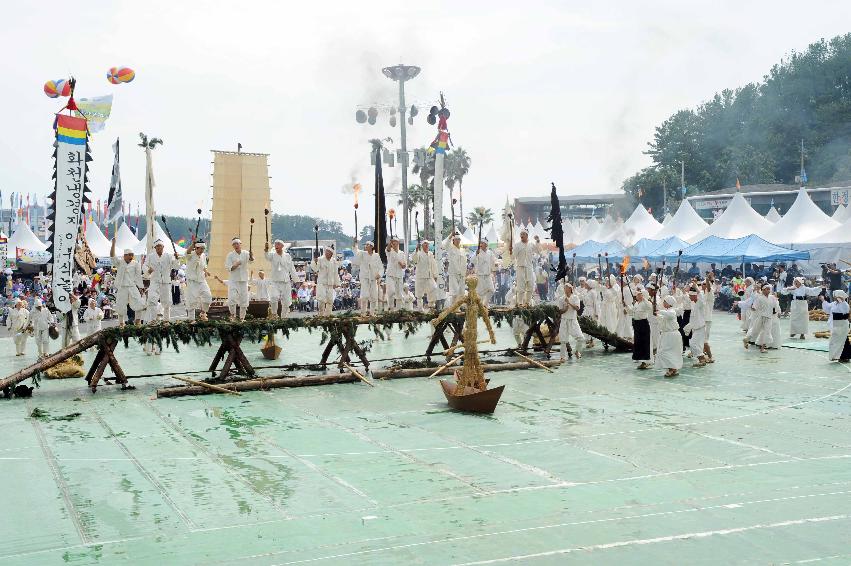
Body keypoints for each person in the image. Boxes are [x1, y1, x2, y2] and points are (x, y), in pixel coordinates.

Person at [110, 239, 146, 327]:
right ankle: (121, 323)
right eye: (129, 255)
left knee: (139, 303)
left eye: (132, 255)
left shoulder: (136, 263)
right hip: (122, 287)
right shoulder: (120, 263)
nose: (131, 257)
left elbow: (138, 276)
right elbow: (112, 256)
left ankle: (137, 321)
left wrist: (141, 287)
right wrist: (113, 244)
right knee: (120, 305)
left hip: (132, 286)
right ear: (124, 256)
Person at [145, 239, 179, 321]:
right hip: (154, 281)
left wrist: (177, 259)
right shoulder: (150, 256)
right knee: (152, 300)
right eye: (157, 246)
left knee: (167, 302)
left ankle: (166, 320)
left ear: (163, 247)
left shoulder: (168, 256)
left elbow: (176, 266)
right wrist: (148, 270)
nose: (158, 248)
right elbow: (145, 266)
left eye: (160, 246)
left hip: (166, 282)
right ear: (155, 247)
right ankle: (153, 320)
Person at [264, 239, 299, 318]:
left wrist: (296, 280)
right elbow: (267, 256)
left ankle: (284, 318)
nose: (276, 246)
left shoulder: (287, 256)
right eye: (275, 244)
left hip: (285, 282)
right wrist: (266, 249)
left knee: (286, 302)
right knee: (273, 297)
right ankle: (274, 314)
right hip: (275, 282)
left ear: (282, 246)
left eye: (278, 244)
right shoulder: (272, 255)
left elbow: (292, 269)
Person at [743, 284, 779, 353]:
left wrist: (776, 300)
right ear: (763, 290)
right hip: (761, 317)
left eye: (769, 289)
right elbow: (754, 307)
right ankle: (746, 339)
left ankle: (762, 347)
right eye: (767, 289)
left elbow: (775, 306)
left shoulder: (772, 297)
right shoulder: (759, 298)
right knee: (755, 330)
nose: (769, 290)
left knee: (766, 332)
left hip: (768, 318)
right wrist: (751, 307)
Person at [224, 237, 253, 321]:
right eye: (234, 244)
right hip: (233, 280)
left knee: (244, 299)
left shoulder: (246, 253)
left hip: (244, 280)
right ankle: (233, 315)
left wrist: (251, 255)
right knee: (232, 298)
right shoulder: (230, 255)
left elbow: (251, 261)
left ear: (240, 244)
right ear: (232, 246)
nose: (236, 245)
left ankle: (242, 318)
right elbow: (229, 268)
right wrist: (236, 264)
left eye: (237, 243)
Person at [352, 240, 383, 314]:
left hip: (373, 278)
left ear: (372, 247)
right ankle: (363, 312)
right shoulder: (362, 253)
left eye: (367, 245)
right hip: (364, 277)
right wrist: (355, 243)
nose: (366, 246)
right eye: (365, 245)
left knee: (374, 297)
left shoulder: (376, 255)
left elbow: (381, 267)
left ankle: (372, 313)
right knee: (365, 295)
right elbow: (355, 251)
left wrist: (379, 274)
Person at [655, 295, 683, 378]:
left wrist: (659, 311)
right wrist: (657, 315)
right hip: (667, 335)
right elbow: (664, 319)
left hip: (672, 335)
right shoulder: (667, 311)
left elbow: (670, 315)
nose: (663, 303)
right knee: (666, 352)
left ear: (669, 303)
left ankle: (672, 369)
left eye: (665, 302)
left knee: (668, 352)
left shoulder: (672, 311)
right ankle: (672, 368)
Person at [512, 229, 540, 306]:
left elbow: (538, 251)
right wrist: (511, 251)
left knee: (530, 286)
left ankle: (527, 302)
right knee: (520, 287)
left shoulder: (531, 244)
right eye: (521, 234)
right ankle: (520, 303)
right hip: (520, 268)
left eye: (523, 234)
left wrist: (537, 241)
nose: (521, 235)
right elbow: (513, 256)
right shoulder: (517, 245)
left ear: (527, 235)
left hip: (529, 267)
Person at [185, 240, 212, 321]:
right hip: (192, 281)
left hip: (202, 280)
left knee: (208, 297)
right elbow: (187, 253)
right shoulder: (191, 255)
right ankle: (191, 319)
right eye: (201, 248)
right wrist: (192, 244)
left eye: (203, 249)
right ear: (196, 248)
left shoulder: (203, 255)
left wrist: (206, 271)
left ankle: (203, 313)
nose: (202, 250)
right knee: (192, 300)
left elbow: (204, 265)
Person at [820, 290, 851, 362]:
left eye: (836, 296)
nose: (835, 298)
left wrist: (841, 301)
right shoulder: (834, 303)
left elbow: (844, 311)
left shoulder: (845, 304)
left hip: (842, 324)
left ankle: (845, 357)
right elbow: (827, 308)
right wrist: (823, 300)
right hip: (836, 324)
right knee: (835, 341)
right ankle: (837, 356)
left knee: (842, 340)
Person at [557, 281, 584, 361]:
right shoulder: (561, 299)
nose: (565, 289)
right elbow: (560, 311)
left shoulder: (575, 297)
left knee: (580, 338)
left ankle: (577, 351)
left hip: (573, 320)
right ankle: (562, 357)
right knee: (563, 340)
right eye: (564, 288)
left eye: (566, 288)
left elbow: (577, 308)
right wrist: (565, 309)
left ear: (570, 289)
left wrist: (569, 303)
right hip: (564, 320)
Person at [629, 286, 653, 369]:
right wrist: (626, 306)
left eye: (639, 295)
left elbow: (650, 307)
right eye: (637, 295)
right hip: (637, 324)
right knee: (638, 342)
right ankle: (641, 361)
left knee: (644, 343)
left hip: (643, 324)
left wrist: (644, 299)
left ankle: (646, 361)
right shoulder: (636, 303)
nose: (637, 296)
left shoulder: (645, 303)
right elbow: (632, 312)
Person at [683, 287, 708, 366]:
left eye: (691, 296)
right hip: (695, 328)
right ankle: (702, 360)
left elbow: (700, 295)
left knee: (693, 344)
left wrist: (695, 286)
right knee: (697, 344)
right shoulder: (693, 304)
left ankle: (702, 358)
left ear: (695, 296)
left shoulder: (700, 303)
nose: (689, 297)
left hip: (700, 328)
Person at [412, 241, 439, 312]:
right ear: (422, 245)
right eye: (425, 244)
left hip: (429, 276)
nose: (427, 245)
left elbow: (433, 264)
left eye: (427, 244)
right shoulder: (418, 253)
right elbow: (414, 259)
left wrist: (435, 275)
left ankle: (431, 306)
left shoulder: (430, 254)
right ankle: (420, 309)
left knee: (434, 288)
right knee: (419, 294)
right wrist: (416, 249)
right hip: (420, 276)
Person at [311, 247, 339, 316]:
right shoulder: (320, 259)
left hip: (330, 283)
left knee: (330, 300)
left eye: (328, 252)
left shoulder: (334, 261)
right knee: (321, 300)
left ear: (331, 254)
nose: (326, 253)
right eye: (326, 251)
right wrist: (315, 262)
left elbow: (335, 272)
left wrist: (337, 283)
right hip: (322, 283)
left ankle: (328, 315)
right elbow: (315, 269)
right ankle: (321, 314)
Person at [385, 237, 407, 310]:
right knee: (391, 291)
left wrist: (402, 264)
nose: (394, 243)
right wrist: (389, 243)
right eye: (393, 242)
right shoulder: (389, 251)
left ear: (398, 243)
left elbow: (404, 265)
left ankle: (399, 310)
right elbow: (387, 249)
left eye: (395, 242)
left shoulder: (402, 253)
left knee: (399, 294)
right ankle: (390, 307)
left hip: (399, 275)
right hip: (390, 275)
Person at [472, 239, 496, 306]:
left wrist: (495, 269)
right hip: (480, 275)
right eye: (480, 243)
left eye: (482, 243)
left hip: (488, 275)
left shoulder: (490, 253)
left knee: (491, 290)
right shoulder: (478, 252)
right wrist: (476, 254)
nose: (481, 244)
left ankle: (485, 304)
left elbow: (494, 261)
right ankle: (479, 306)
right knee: (480, 293)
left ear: (486, 245)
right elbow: (472, 261)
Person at [446, 234, 467, 304]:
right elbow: (446, 244)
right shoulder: (451, 248)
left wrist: (465, 272)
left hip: (462, 274)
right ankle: (453, 307)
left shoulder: (462, 250)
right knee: (455, 291)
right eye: (456, 239)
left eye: (459, 239)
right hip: (453, 273)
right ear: (453, 240)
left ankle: (457, 307)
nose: (458, 241)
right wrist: (450, 236)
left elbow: (465, 262)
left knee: (461, 292)